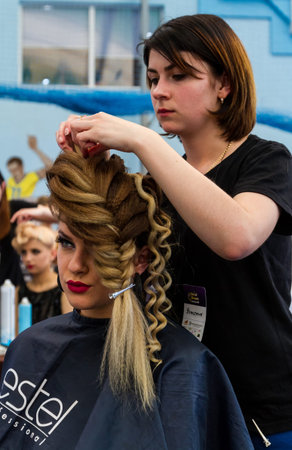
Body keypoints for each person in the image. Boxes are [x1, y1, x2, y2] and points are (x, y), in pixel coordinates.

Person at [54, 14, 292, 449]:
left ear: (225, 84)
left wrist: (144, 141)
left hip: (262, 410)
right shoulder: (160, 180)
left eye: (179, 75)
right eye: (152, 77)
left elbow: (236, 236)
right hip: (181, 399)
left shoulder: (269, 162)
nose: (159, 90)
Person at [0, 151, 253, 449]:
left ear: (140, 259)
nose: (76, 265)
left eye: (98, 248)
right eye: (66, 242)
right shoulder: (29, 345)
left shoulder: (179, 367)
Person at [11, 222, 72, 324]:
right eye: (23, 252)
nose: (28, 258)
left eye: (35, 251)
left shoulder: (64, 289)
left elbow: (70, 333)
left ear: (53, 254)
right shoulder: (19, 291)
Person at [6, 135, 52, 200]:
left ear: (21, 167)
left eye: (15, 169)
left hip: (24, 207)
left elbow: (50, 167)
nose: (13, 172)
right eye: (10, 170)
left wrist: (35, 149)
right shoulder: (9, 181)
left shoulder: (30, 177)